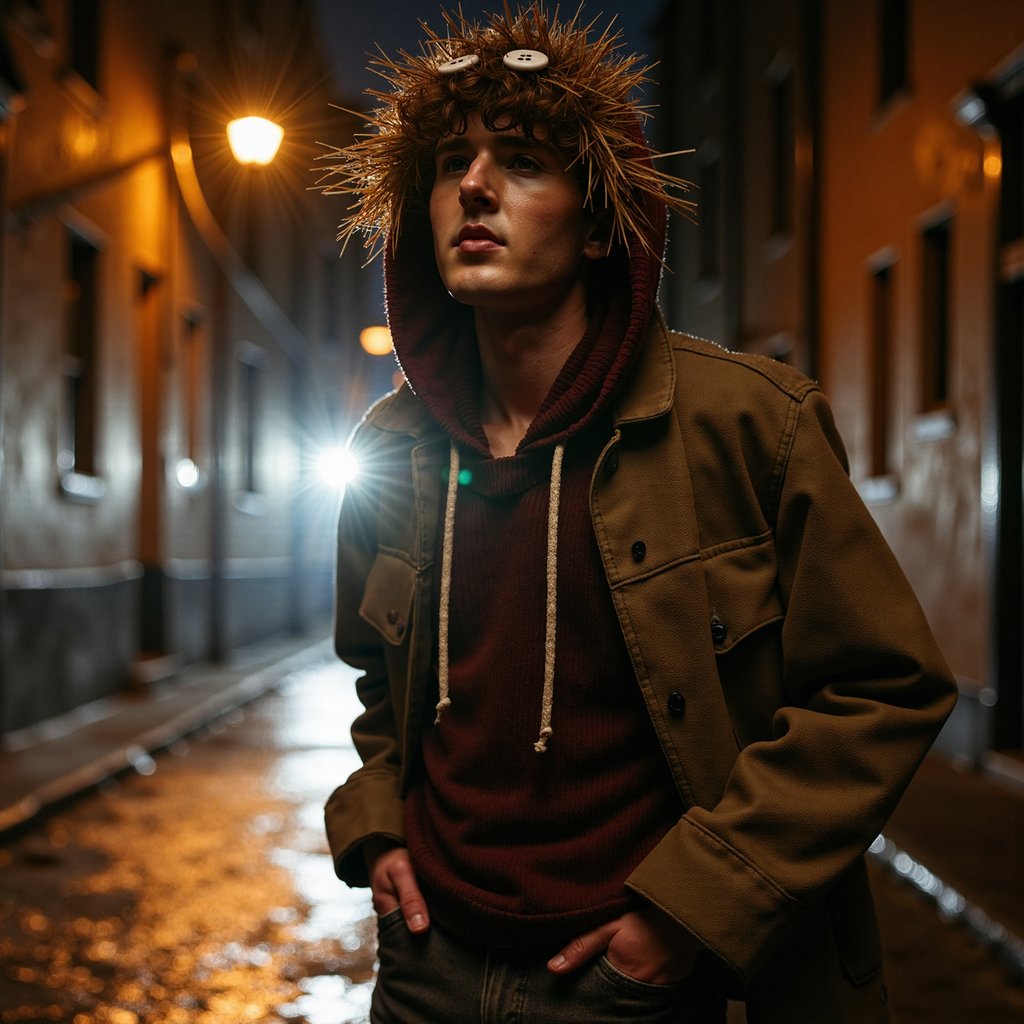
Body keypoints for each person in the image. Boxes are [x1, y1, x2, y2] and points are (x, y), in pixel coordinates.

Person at [320, 5, 957, 1022]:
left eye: (522, 158)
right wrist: (375, 826)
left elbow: (881, 689)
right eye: (448, 163)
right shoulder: (393, 446)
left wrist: (688, 915)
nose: (473, 187)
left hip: (633, 980)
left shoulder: (752, 423)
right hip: (427, 970)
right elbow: (377, 680)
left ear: (598, 217)